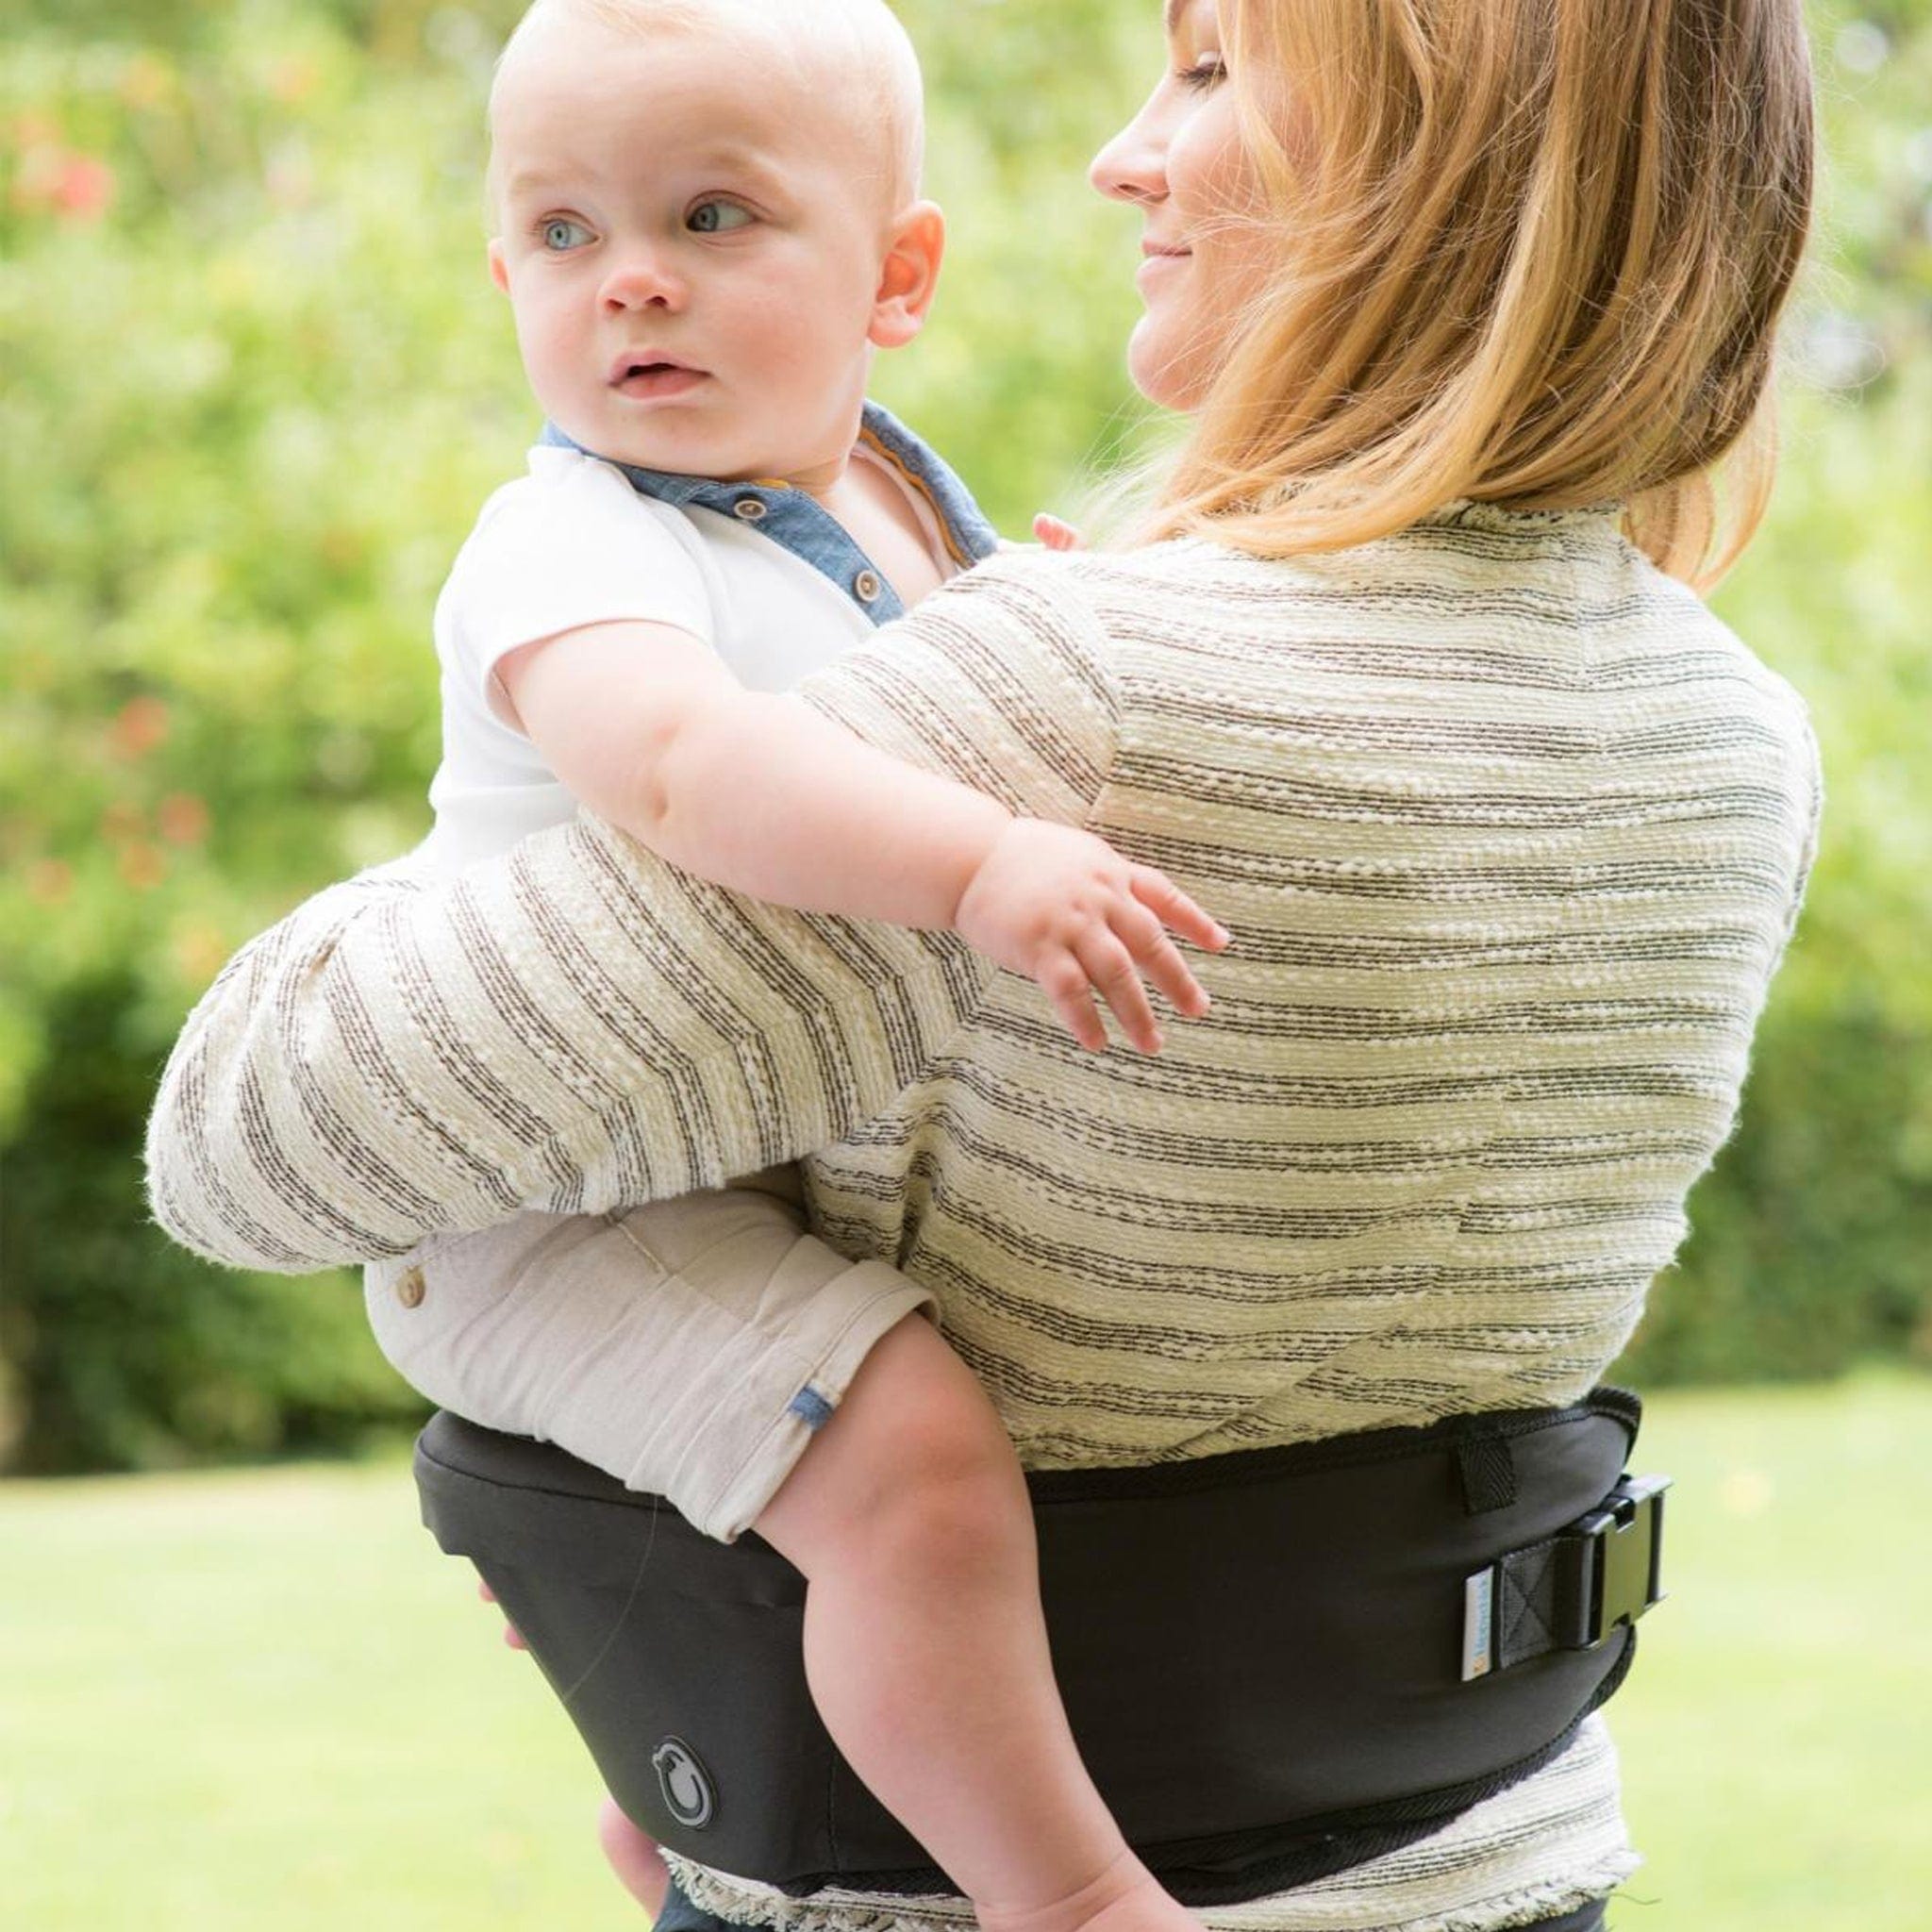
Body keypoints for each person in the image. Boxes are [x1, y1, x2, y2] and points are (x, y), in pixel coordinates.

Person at [145, 3, 1823, 1930]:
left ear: (1418, 156)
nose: (1125, 153)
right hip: (1493, 1847)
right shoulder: (1728, 739)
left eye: (1206, 72)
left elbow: (251, 1146)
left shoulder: (1074, 694)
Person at [331, 2, 1234, 1930]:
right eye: (563, 237)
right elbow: (686, 767)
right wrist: (988, 865)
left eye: (715, 216)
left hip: (725, 1160)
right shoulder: (565, 541)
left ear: (895, 275)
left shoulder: (892, 512)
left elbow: (937, 691)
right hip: (536, 1198)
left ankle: (693, 1795)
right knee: (909, 1457)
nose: (630, 279)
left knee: (851, 1468)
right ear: (506, 277)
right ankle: (1070, 1896)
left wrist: (1051, 620)